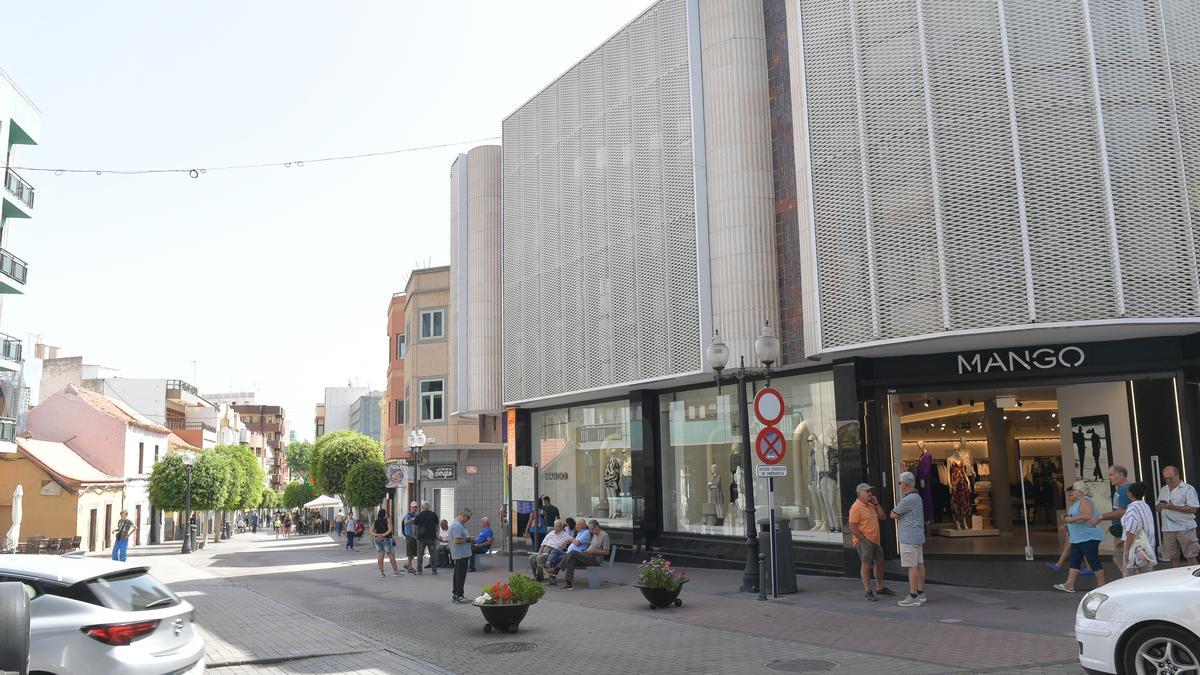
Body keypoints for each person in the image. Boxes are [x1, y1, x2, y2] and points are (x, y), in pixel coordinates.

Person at [1053, 481, 1107, 593]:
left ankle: (1102, 585)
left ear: (1079, 491)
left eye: (1074, 490)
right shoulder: (1078, 502)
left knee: (1093, 560)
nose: (1072, 492)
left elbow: (1087, 515)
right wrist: (1069, 518)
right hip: (1078, 537)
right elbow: (1079, 517)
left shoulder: (1085, 500)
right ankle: (1069, 584)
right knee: (1074, 560)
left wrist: (1071, 519)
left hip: (1088, 536)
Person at [848, 483, 893, 601]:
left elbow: (883, 517)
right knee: (866, 565)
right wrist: (864, 541)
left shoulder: (871, 505)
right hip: (864, 541)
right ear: (859, 494)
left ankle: (880, 587)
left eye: (870, 491)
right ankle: (867, 591)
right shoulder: (856, 507)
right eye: (867, 491)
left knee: (880, 563)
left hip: (875, 540)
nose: (870, 493)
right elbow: (852, 526)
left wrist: (877, 503)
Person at [890, 472, 927, 607]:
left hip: (908, 536)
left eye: (900, 483)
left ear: (904, 484)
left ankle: (913, 596)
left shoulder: (907, 499)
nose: (899, 485)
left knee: (912, 566)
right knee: (919, 564)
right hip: (917, 535)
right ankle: (921, 592)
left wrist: (900, 516)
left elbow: (893, 514)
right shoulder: (917, 497)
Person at [1089, 465, 1132, 576]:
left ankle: (1128, 581)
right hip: (1122, 531)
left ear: (1121, 475)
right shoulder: (1122, 490)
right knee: (1120, 558)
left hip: (1123, 531)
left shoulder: (1123, 490)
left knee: (1122, 560)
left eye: (1111, 474)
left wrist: (1100, 517)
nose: (1110, 477)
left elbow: (1123, 511)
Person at [1045, 483, 1095, 577]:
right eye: (1068, 495)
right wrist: (1066, 523)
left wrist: (1069, 520)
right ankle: (1086, 569)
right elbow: (1075, 518)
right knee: (1071, 549)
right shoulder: (1075, 505)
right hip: (1073, 531)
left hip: (1077, 532)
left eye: (1070, 494)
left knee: (1074, 550)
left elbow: (1082, 517)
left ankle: (1060, 566)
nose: (1069, 497)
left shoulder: (1082, 502)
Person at [549, 519, 610, 591]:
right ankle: (568, 584)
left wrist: (593, 551)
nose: (591, 531)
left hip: (595, 559)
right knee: (572, 560)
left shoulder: (604, 535)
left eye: (592, 529)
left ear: (597, 527)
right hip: (587, 556)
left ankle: (556, 570)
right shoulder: (594, 534)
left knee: (573, 552)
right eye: (590, 529)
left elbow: (606, 552)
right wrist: (587, 552)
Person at [1157, 465, 1199, 567]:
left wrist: (1173, 507)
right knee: (1173, 558)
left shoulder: (1188, 489)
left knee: (1190, 556)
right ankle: (1177, 580)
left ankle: (1197, 580)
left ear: (1177, 475)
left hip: (1185, 528)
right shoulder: (1164, 489)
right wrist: (1160, 506)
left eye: (1170, 478)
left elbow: (1193, 508)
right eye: (1165, 478)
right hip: (1167, 529)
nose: (1167, 481)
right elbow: (1158, 508)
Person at [1121, 482, 1157, 575]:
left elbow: (1131, 532)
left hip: (1135, 547)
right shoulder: (1146, 506)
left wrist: (1126, 551)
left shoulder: (1132, 509)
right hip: (1148, 546)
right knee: (1146, 577)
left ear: (1130, 494)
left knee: (1129, 578)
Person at [449, 508, 473, 603]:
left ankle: (456, 594)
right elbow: (457, 540)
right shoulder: (457, 525)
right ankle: (459, 595)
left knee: (458, 575)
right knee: (460, 575)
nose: (468, 520)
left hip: (461, 554)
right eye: (468, 518)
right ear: (463, 516)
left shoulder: (458, 524)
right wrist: (469, 539)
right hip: (461, 554)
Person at [372, 508, 403, 577]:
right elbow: (390, 530)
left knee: (380, 555)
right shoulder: (388, 520)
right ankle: (395, 572)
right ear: (384, 514)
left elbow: (371, 531)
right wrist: (383, 535)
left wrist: (377, 535)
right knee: (391, 555)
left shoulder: (375, 521)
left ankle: (381, 573)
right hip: (386, 540)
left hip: (378, 540)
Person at [413, 501, 439, 575]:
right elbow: (437, 525)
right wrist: (434, 532)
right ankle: (434, 570)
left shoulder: (419, 515)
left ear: (422, 507)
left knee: (420, 554)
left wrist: (415, 535)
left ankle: (419, 571)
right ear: (429, 507)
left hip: (421, 538)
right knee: (433, 554)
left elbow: (414, 526)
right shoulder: (434, 514)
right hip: (431, 538)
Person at [402, 502, 419, 574]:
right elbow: (405, 523)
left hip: (414, 535)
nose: (415, 508)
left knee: (414, 553)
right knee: (410, 553)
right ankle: (410, 568)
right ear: (410, 507)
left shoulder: (416, 515)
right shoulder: (407, 515)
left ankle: (406, 564)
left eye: (416, 507)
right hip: (409, 535)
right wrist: (412, 519)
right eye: (413, 507)